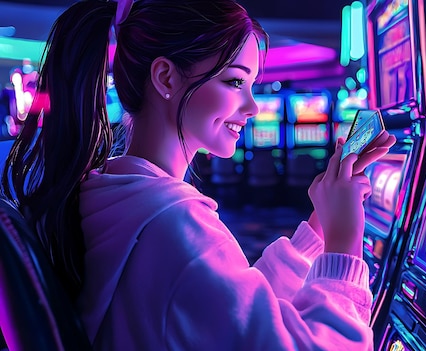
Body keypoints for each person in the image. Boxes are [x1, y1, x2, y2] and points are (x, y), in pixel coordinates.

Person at [1, 0, 396, 350]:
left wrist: (317, 231)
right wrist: (344, 242)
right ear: (166, 79)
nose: (254, 107)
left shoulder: (117, 192)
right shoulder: (174, 223)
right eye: (235, 82)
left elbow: (224, 307)